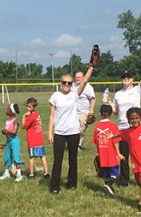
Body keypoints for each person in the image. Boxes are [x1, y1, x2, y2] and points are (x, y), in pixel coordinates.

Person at [107, 62, 141, 187]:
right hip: (123, 128)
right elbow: (116, 112)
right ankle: (123, 181)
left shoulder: (136, 90)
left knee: (139, 155)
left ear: (132, 79)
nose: (126, 79)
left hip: (136, 128)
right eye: (124, 77)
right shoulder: (118, 94)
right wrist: (111, 105)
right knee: (123, 156)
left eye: (128, 77)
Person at [48, 64, 94, 194]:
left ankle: (72, 183)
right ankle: (55, 186)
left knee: (73, 159)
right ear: (60, 83)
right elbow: (52, 115)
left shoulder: (74, 94)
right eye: (64, 82)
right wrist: (50, 132)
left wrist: (91, 67)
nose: (67, 84)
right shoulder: (55, 96)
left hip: (73, 132)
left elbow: (84, 81)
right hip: (59, 133)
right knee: (58, 160)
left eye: (69, 82)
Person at [92, 104, 124, 196]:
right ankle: (109, 184)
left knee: (105, 173)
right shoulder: (113, 126)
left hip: (102, 153)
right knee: (114, 172)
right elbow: (116, 141)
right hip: (111, 153)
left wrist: (98, 153)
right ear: (111, 114)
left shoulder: (97, 126)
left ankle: (107, 188)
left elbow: (96, 141)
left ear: (100, 114)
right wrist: (118, 153)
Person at [22, 97, 50, 179]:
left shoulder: (32, 117)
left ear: (34, 107)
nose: (27, 108)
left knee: (31, 157)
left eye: (29, 107)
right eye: (27, 106)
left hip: (32, 140)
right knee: (42, 156)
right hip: (39, 139)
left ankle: (31, 174)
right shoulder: (37, 114)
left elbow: (23, 126)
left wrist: (24, 116)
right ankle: (46, 172)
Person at [73, 71, 96, 151]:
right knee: (73, 129)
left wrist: (91, 111)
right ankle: (73, 145)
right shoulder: (72, 86)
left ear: (83, 78)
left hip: (84, 112)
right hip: (73, 112)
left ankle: (78, 146)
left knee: (81, 130)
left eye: (79, 77)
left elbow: (92, 99)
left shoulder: (88, 87)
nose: (77, 78)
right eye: (76, 77)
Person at [0, 103, 22, 182]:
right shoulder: (7, 121)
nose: (6, 110)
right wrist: (4, 132)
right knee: (7, 157)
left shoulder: (15, 120)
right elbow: (7, 131)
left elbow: (14, 132)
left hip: (14, 141)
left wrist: (6, 130)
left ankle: (19, 174)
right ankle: (6, 173)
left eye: (7, 109)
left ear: (12, 112)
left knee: (16, 157)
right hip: (8, 141)